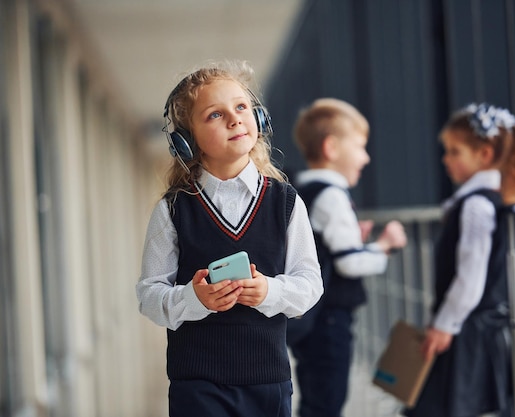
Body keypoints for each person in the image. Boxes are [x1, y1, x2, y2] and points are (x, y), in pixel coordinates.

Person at [135, 60, 324, 417]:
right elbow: (149, 295)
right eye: (214, 115)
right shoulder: (173, 209)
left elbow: (310, 285)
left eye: (241, 107)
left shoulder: (285, 202)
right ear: (186, 142)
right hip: (197, 384)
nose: (235, 119)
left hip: (268, 384)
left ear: (260, 119)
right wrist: (195, 298)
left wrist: (270, 291)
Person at [404, 103, 515, 417]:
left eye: (454, 152)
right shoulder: (476, 202)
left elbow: (470, 277)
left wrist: (444, 325)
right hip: (463, 328)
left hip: (465, 331)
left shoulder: (477, 206)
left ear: (485, 155)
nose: (446, 159)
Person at [289, 97, 408, 417]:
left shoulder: (304, 191)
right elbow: (349, 262)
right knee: (327, 401)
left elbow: (331, 251)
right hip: (329, 320)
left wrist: (357, 242)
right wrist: (385, 246)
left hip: (312, 318)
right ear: (331, 148)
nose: (366, 158)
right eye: (359, 147)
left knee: (315, 398)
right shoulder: (332, 195)